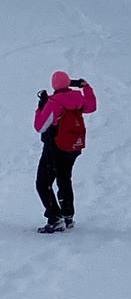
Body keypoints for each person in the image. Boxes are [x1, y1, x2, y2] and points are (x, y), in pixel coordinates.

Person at [34, 70, 97, 233]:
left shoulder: (54, 103)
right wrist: (86, 87)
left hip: (55, 147)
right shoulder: (78, 98)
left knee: (43, 183)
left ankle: (55, 218)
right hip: (73, 146)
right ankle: (68, 215)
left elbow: (40, 126)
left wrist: (40, 108)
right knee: (64, 178)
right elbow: (92, 106)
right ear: (69, 82)